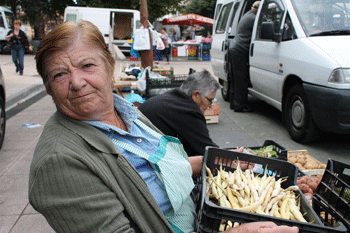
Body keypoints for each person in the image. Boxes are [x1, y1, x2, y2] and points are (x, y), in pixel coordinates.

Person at [28, 20, 298, 233]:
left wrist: (214, 161)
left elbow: (160, 170)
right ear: (49, 87)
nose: (76, 82)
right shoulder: (58, 162)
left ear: (110, 67)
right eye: (60, 74)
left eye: (87, 65)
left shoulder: (127, 114)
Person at [138, 70, 220, 158]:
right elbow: (207, 149)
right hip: (143, 155)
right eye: (210, 100)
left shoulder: (176, 96)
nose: (210, 105)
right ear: (196, 95)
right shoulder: (189, 111)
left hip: (141, 144)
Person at [228, 1, 260, 112]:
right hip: (240, 51)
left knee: (235, 79)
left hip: (234, 49)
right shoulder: (253, 18)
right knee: (242, 79)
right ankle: (239, 106)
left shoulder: (247, 15)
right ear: (258, 9)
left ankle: (233, 104)